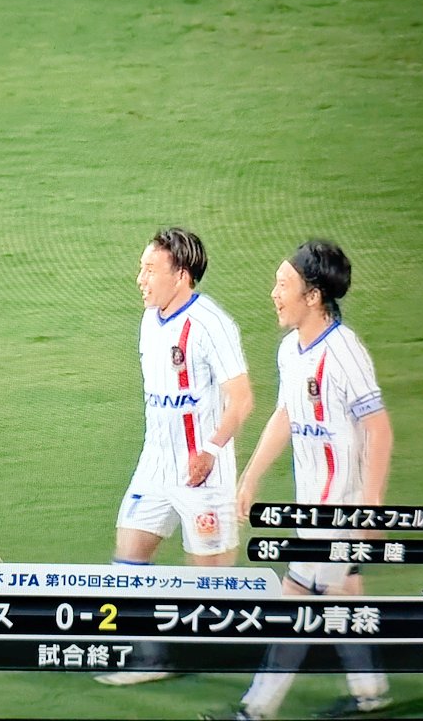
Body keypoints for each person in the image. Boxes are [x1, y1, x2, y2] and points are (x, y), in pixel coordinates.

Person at [201, 240, 392, 720]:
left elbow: (379, 429)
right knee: (343, 591)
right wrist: (250, 478)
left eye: (283, 284)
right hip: (313, 506)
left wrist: (371, 505)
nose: (274, 293)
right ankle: (371, 692)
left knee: (297, 597)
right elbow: (286, 415)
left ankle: (256, 709)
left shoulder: (344, 351)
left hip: (340, 509)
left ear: (313, 296)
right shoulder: (291, 350)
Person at [95, 227, 254, 686]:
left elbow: (242, 398)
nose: (140, 279)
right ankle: (150, 658)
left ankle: (260, 653)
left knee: (211, 587)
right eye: (141, 268)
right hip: (155, 465)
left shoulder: (211, 324)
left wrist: (210, 450)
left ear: (181, 275)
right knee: (128, 558)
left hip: (203, 471)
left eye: (150, 270)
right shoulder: (150, 319)